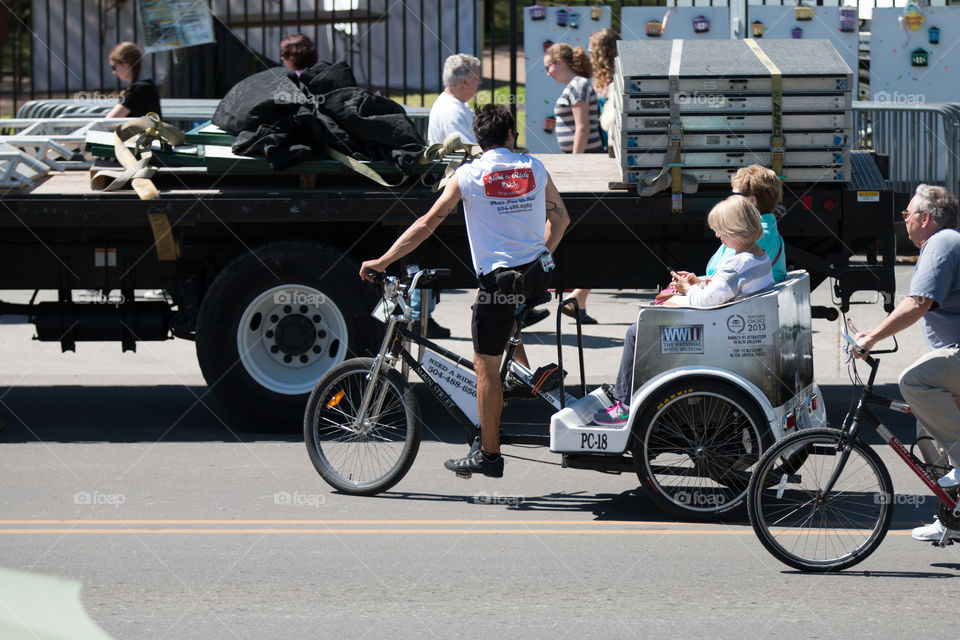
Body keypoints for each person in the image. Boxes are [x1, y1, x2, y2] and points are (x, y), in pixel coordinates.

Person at [360, 104, 569, 478]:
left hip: (500, 282)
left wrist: (384, 259)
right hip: (536, 277)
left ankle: (489, 456)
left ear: (479, 141)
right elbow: (562, 217)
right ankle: (525, 379)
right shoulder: (534, 167)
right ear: (510, 136)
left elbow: (428, 223)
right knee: (497, 314)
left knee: (484, 369)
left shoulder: (468, 175)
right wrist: (542, 254)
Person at [595, 196, 774, 426]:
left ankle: (624, 404)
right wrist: (701, 281)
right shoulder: (759, 256)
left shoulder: (736, 263)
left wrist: (688, 288)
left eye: (720, 231)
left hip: (716, 335)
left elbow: (703, 302)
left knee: (635, 332)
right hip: (731, 326)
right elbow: (727, 287)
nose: (718, 236)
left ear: (735, 230)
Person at [851, 184, 960, 542]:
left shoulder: (942, 243)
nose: (904, 219)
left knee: (913, 382)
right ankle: (951, 516)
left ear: (926, 218)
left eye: (907, 213)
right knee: (926, 432)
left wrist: (870, 338)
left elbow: (918, 303)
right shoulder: (943, 243)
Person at [415, 54, 482, 338]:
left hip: (454, 186)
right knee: (429, 257)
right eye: (477, 78)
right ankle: (420, 318)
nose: (480, 83)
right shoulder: (453, 109)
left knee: (429, 256)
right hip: (456, 188)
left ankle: (422, 317)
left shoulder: (453, 106)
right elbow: (469, 150)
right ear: (465, 80)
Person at [544, 42, 602, 324]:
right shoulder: (575, 86)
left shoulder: (578, 86)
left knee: (570, 225)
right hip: (581, 161)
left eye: (548, 66)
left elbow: (582, 127)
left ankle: (573, 296)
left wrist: (576, 164)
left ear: (560, 63)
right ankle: (577, 299)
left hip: (584, 164)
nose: (547, 73)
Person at [705, 165, 788, 284]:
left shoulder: (753, 235)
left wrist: (691, 286)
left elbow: (722, 279)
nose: (730, 199)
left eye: (735, 195)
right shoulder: (764, 229)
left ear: (751, 201)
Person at [427, 53, 481, 146]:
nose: (479, 82)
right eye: (477, 77)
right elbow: (471, 152)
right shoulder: (452, 113)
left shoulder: (458, 104)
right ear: (464, 82)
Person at [105, 42, 161, 118]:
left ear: (126, 63)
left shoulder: (138, 89)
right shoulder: (147, 84)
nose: (114, 72)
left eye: (114, 67)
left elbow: (109, 121)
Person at [589, 28, 621, 150]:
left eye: (591, 50)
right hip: (603, 145)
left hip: (614, 146)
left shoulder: (617, 78)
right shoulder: (603, 79)